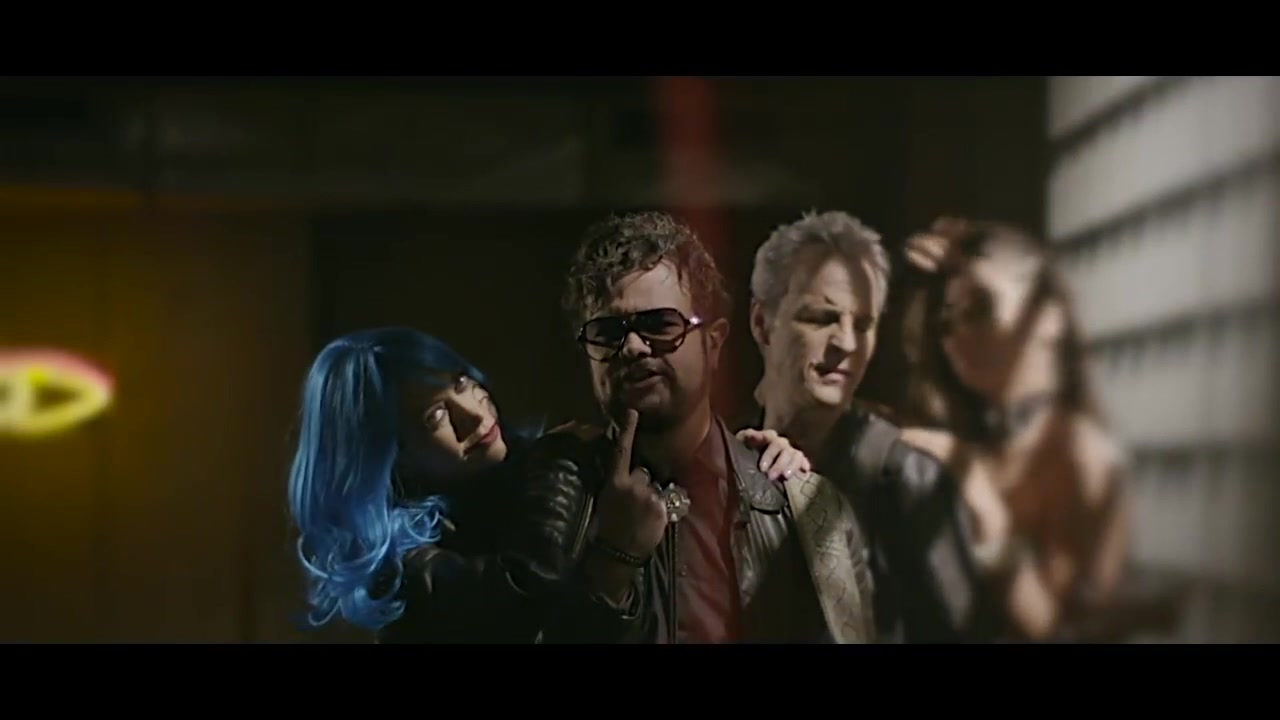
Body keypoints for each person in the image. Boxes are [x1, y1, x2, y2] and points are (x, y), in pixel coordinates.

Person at [286, 326, 809, 643]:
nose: (474, 412)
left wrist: (748, 460)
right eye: (435, 417)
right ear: (390, 461)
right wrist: (562, 469)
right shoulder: (404, 571)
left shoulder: (529, 474)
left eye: (461, 381)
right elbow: (526, 589)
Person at [525, 210, 878, 644]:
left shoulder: (801, 508)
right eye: (608, 332)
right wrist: (613, 562)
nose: (633, 347)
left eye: (659, 325)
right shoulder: (551, 498)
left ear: (714, 344)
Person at [746, 209, 1002, 642]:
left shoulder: (906, 476)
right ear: (762, 323)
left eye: (863, 324)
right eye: (821, 317)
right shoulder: (727, 456)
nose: (846, 343)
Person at [897, 217, 1147, 641]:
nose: (957, 336)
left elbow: (1069, 636)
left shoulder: (1084, 458)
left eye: (980, 308)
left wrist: (986, 509)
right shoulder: (970, 439)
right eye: (945, 323)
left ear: (1048, 317)